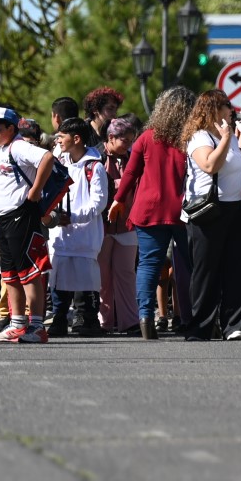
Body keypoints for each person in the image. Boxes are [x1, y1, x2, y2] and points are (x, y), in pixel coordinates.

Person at [112, 87, 194, 341]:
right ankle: (195, 318)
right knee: (191, 265)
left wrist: (118, 199)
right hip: (184, 210)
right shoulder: (192, 138)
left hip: (149, 209)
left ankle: (146, 319)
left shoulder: (147, 137)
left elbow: (130, 172)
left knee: (148, 265)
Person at [0, 106, 65, 344]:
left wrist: (36, 190)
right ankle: (18, 324)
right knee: (10, 275)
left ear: (11, 128)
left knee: (29, 272)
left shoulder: (19, 146)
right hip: (6, 219)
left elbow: (47, 157)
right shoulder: (4, 149)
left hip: (22, 216)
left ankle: (37, 326)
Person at [180, 89, 241, 341]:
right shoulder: (201, 137)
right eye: (226, 105)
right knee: (207, 271)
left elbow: (239, 162)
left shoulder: (226, 135)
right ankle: (200, 327)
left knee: (235, 268)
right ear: (212, 109)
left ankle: (234, 325)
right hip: (209, 210)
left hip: (234, 207)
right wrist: (226, 138)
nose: (231, 110)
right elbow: (210, 165)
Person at [47, 118, 106, 338]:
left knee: (86, 278)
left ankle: (88, 319)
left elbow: (98, 203)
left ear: (77, 139)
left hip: (85, 236)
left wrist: (72, 217)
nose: (58, 140)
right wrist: (54, 215)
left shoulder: (94, 167)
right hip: (60, 234)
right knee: (58, 276)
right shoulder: (58, 162)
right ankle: (59, 318)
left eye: (62, 136)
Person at [96, 116, 140, 334]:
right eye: (125, 140)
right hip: (101, 226)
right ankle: (105, 321)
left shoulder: (133, 158)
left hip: (128, 225)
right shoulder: (96, 156)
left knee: (126, 274)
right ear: (111, 138)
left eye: (131, 140)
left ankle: (130, 321)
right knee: (102, 277)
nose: (129, 145)